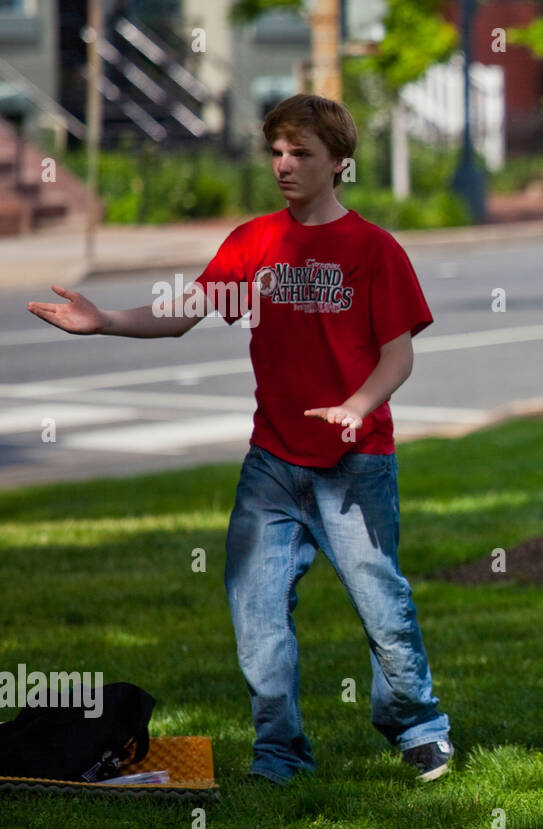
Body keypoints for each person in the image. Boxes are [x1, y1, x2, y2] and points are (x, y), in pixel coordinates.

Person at [28, 94, 453, 785]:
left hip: (355, 466)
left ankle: (417, 725)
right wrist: (103, 319)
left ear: (340, 164)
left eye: (301, 154)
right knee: (257, 618)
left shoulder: (374, 250)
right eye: (276, 153)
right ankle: (279, 753)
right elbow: (184, 313)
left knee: (384, 608)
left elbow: (398, 355)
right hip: (274, 465)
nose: (284, 166)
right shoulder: (256, 242)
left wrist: (357, 405)